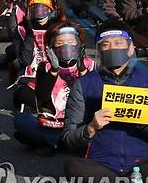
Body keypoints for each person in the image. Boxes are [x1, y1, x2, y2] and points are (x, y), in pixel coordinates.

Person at [61, 21, 148, 183]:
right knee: (72, 167)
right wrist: (91, 128)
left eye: (118, 43)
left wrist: (143, 121)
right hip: (101, 164)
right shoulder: (84, 83)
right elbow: (67, 137)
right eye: (106, 44)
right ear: (99, 49)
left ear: (130, 48)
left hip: (140, 165)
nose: (112, 48)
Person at [13, 22, 94, 152]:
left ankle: (53, 143)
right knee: (21, 120)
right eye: (60, 44)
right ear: (51, 48)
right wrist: (54, 70)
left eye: (70, 43)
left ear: (80, 44)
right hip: (55, 123)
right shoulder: (45, 67)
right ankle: (63, 143)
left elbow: (94, 97)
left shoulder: (91, 66)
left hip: (81, 124)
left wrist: (82, 70)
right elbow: (41, 97)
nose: (66, 47)